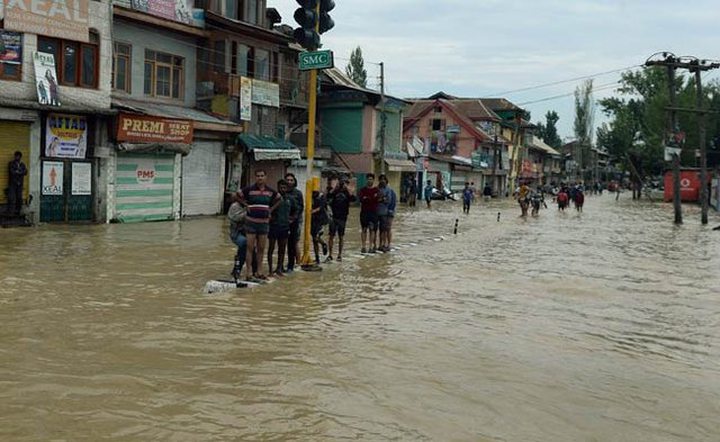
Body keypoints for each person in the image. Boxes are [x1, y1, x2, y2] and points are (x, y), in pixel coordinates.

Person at [237, 170, 280, 282]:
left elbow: (279, 199)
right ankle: (248, 272)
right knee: (250, 248)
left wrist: (271, 209)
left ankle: (259, 271)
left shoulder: (270, 191)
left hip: (264, 223)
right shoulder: (249, 189)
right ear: (255, 177)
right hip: (251, 222)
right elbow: (236, 195)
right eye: (258, 176)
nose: (260, 178)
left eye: (262, 176)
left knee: (261, 248)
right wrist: (245, 205)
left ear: (266, 177)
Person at [267, 179, 293, 277]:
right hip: (274, 226)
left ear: (287, 188)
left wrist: (292, 219)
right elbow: (267, 209)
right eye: (281, 187)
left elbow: (297, 210)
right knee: (271, 248)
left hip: (285, 227)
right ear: (277, 187)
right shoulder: (273, 199)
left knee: (282, 249)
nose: (282, 189)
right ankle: (270, 270)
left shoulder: (290, 199)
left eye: (284, 188)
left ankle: (279, 269)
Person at [327, 178, 355, 262]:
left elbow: (354, 199)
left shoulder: (346, 192)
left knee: (341, 237)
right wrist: (334, 188)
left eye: (343, 183)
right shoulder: (335, 191)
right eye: (340, 183)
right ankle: (330, 255)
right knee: (331, 236)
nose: (341, 184)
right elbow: (328, 196)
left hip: (343, 218)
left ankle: (339, 255)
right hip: (333, 216)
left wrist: (348, 189)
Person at [227, 193, 248, 287]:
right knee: (244, 244)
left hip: (249, 233)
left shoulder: (249, 206)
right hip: (236, 234)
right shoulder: (235, 206)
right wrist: (247, 212)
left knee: (251, 249)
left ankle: (243, 270)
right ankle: (237, 269)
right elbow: (234, 218)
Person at [284, 173, 303, 272]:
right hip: (283, 221)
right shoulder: (282, 192)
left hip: (296, 221)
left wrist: (293, 218)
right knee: (283, 242)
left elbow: (301, 208)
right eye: (287, 180)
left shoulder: (298, 193)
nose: (289, 182)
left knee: (295, 241)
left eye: (291, 180)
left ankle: (297, 262)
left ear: (294, 181)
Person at [358, 173, 381, 253]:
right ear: (366, 180)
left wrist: (368, 198)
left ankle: (371, 246)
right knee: (364, 229)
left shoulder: (376, 190)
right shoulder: (362, 190)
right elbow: (361, 199)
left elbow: (378, 199)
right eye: (368, 179)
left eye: (371, 179)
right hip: (364, 212)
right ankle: (363, 246)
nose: (369, 180)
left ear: (373, 180)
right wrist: (371, 198)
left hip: (374, 213)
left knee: (372, 230)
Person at [377, 174, 397, 252]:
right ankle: (381, 244)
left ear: (386, 181)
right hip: (379, 212)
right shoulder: (377, 189)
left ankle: (388, 244)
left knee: (387, 229)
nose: (382, 181)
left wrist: (390, 211)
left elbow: (391, 201)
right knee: (381, 229)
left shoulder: (390, 190)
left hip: (389, 213)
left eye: (384, 179)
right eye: (381, 179)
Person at [311, 189, 329, 264]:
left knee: (316, 237)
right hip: (313, 220)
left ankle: (323, 244)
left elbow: (321, 207)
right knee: (314, 240)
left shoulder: (322, 197)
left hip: (321, 221)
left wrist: (313, 211)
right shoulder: (310, 195)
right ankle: (317, 258)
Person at [7, 151, 27, 215]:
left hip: (20, 184)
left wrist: (18, 172)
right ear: (14, 156)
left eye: (18, 156)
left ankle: (18, 211)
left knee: (19, 198)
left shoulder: (22, 164)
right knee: (12, 198)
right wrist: (20, 172)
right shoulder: (11, 163)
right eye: (16, 156)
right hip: (12, 184)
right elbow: (12, 172)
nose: (17, 157)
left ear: (20, 157)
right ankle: (11, 212)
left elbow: (26, 172)